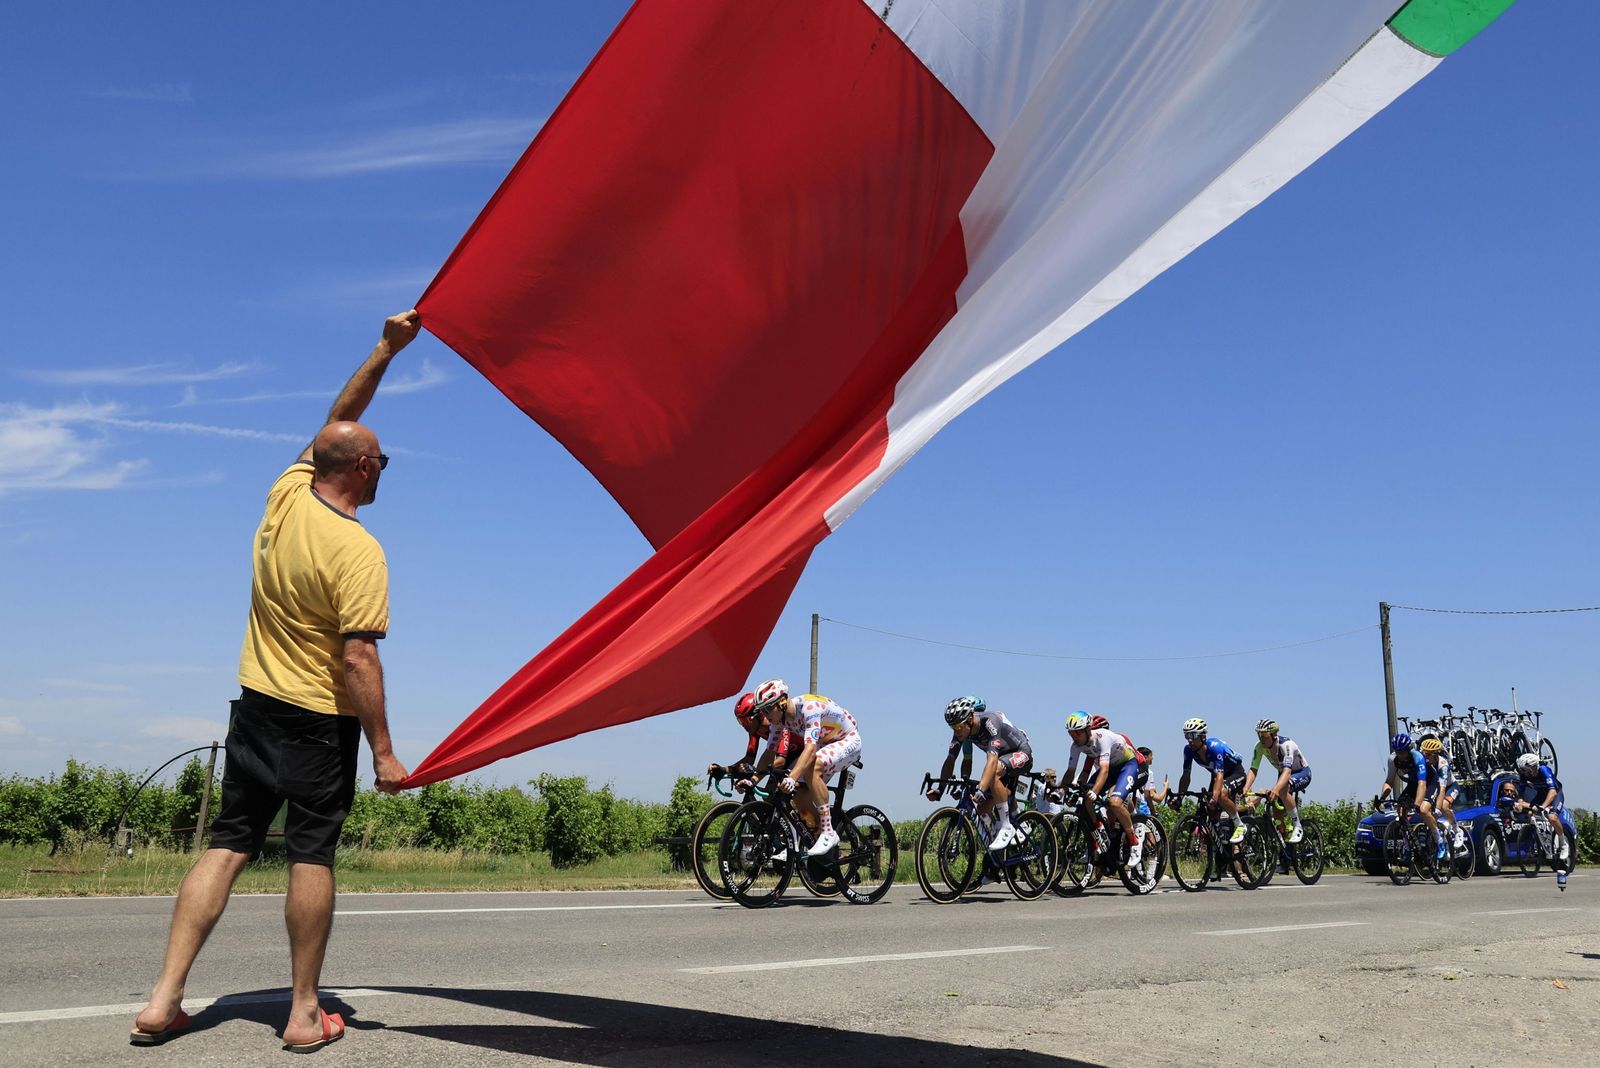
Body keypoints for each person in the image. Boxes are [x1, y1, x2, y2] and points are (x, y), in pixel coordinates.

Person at [132, 311, 420, 1052]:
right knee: (310, 855)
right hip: (318, 724)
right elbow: (358, 659)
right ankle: (301, 1014)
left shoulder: (286, 495)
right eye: (381, 462)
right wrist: (385, 751)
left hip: (255, 708)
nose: (383, 470)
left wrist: (386, 349)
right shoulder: (359, 552)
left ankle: (163, 1001)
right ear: (360, 471)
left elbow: (338, 419)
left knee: (228, 844)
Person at [750, 679, 862, 857]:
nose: (765, 715)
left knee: (810, 767)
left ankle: (828, 832)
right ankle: (812, 842)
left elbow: (809, 750)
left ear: (782, 702)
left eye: (767, 709)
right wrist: (753, 780)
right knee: (799, 791)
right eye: (761, 710)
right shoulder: (778, 722)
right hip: (825, 742)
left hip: (847, 739)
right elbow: (769, 753)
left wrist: (792, 777)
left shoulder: (808, 708)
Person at [931, 697, 1034, 850]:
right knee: (982, 810)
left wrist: (981, 789)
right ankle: (996, 864)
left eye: (959, 726)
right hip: (1002, 761)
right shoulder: (961, 732)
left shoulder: (990, 722)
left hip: (1020, 753)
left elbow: (992, 761)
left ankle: (1007, 826)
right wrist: (940, 788)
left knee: (993, 771)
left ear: (970, 719)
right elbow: (950, 760)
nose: (956, 731)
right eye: (952, 727)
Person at [1064, 711, 1146, 868]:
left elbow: (1104, 770)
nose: (1074, 736)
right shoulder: (1076, 746)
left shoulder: (1103, 737)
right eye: (1071, 733)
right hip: (1111, 770)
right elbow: (1071, 773)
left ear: (1088, 730)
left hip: (1127, 765)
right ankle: (1100, 831)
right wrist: (1061, 789)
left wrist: (1095, 791)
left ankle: (1134, 841)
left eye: (1078, 732)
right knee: (1086, 801)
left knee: (1114, 802)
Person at [1171, 718, 1248, 843]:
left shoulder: (1215, 747)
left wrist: (1215, 797)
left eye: (1193, 735)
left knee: (1220, 795)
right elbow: (1186, 776)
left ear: (1203, 736)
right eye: (1186, 735)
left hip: (1235, 772)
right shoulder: (1188, 750)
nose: (1189, 739)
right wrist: (1180, 798)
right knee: (1210, 807)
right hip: (1217, 775)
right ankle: (1219, 834)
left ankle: (1240, 825)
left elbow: (1219, 775)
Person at [1376, 732, 1444, 861]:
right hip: (1414, 783)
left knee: (1423, 810)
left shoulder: (1417, 756)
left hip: (1430, 782)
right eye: (1397, 751)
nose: (1400, 755)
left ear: (1408, 749)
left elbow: (1422, 783)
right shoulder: (1393, 759)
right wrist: (1382, 799)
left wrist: (1417, 804)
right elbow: (1389, 781)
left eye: (1402, 752)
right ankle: (1407, 846)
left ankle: (1439, 840)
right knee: (1401, 809)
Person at [1243, 719, 1310, 843]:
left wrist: (1276, 789)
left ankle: (1297, 826)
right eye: (1259, 734)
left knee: (1282, 790)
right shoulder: (1259, 747)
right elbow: (1253, 769)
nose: (1261, 738)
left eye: (1264, 735)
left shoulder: (1287, 745)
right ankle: (1284, 845)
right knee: (1277, 815)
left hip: (1301, 772)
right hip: (1283, 774)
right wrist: (1246, 787)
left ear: (1274, 734)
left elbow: (1287, 771)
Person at [708, 692, 799, 784]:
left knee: (779, 792)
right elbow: (749, 759)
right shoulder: (755, 730)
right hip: (788, 756)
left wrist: (755, 771)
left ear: (758, 715)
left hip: (802, 753)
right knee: (768, 796)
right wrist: (724, 770)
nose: (743, 725)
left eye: (745, 720)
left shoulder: (778, 725)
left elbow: (780, 760)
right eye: (740, 721)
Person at [1511, 752, 1570, 866]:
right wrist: (1519, 804)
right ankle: (1540, 842)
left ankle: (1563, 844)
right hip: (1541, 794)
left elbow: (1552, 792)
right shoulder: (1524, 775)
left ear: (1532, 767)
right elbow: (1521, 795)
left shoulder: (1544, 770)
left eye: (1524, 769)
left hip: (1555, 794)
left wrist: (1543, 806)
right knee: (1529, 813)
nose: (1523, 772)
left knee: (1552, 817)